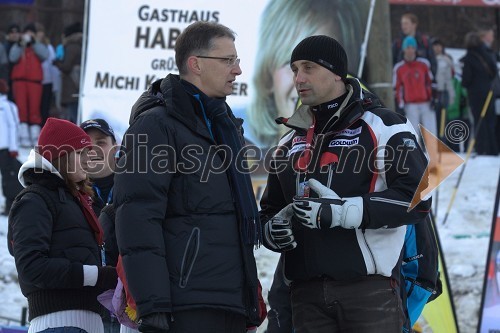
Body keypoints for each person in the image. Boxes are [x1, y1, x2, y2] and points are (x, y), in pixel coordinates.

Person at [260, 35, 432, 333]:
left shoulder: (385, 125)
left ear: (337, 72)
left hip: (368, 292)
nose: (299, 78)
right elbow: (269, 210)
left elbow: (418, 199)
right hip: (305, 295)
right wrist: (271, 230)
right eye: (295, 69)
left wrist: (345, 211)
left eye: (309, 67)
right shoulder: (289, 141)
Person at [113, 21, 263, 332]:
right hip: (184, 305)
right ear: (195, 64)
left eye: (237, 61)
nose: (237, 70)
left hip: (229, 303)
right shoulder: (156, 126)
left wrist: (248, 298)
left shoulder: (225, 128)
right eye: (228, 60)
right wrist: (152, 303)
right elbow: (137, 218)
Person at [7, 117, 118, 333]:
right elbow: (31, 268)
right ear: (61, 157)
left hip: (89, 323)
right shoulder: (34, 200)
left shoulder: (82, 202)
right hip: (57, 325)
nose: (87, 159)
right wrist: (99, 275)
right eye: (80, 153)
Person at [247, 0, 368, 148]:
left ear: (340, 70)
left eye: (312, 66)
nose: (299, 79)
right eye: (290, 66)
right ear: (267, 76)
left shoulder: (381, 129)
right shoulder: (244, 144)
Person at [80, 118, 121, 333]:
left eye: (101, 142)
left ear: (115, 148)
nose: (93, 148)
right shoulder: (67, 194)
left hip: (130, 307)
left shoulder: (136, 187)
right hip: (84, 307)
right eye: (85, 143)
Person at [393, 36, 438, 170]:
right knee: (413, 135)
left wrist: (434, 98)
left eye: (412, 47)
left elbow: (431, 82)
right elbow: (397, 88)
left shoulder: (424, 64)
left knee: (431, 132)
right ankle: (416, 164)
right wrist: (400, 106)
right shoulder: (399, 68)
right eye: (408, 47)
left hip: (426, 103)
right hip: (410, 105)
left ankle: (434, 162)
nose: (410, 50)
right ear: (404, 50)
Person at [460, 27, 499, 156]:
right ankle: (493, 148)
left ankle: (482, 148)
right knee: (490, 120)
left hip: (476, 94)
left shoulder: (469, 58)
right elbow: (494, 71)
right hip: (489, 92)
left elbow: (466, 79)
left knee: (479, 121)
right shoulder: (487, 53)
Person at [8, 23, 48, 147]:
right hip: (19, 82)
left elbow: (44, 55)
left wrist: (34, 42)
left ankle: (35, 135)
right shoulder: (18, 46)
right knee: (21, 108)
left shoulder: (38, 46)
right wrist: (20, 44)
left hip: (35, 82)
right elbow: (12, 57)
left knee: (34, 108)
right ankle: (23, 134)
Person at [0, 78, 22, 216]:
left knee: (9, 177)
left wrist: (13, 147)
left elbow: (14, 126)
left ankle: (11, 204)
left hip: (5, 148)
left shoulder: (7, 106)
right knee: (7, 177)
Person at [53, 22, 83, 124]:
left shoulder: (72, 46)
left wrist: (57, 63)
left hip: (72, 86)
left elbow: (67, 67)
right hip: (78, 85)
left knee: (74, 117)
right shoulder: (81, 44)